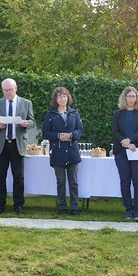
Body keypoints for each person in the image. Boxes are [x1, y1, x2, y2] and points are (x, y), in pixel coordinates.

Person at [0, 78, 35, 214]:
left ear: (16, 88)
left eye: (10, 90)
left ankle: (18, 205)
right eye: (5, 90)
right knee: (0, 176)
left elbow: (32, 121)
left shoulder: (26, 103)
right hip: (2, 144)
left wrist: (27, 123)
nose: (8, 93)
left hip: (18, 143)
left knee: (18, 177)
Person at [42, 87, 83, 215]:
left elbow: (79, 130)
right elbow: (45, 132)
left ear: (68, 97)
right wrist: (58, 135)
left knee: (73, 182)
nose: (63, 98)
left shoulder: (74, 113)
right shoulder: (50, 115)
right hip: (58, 153)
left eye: (64, 96)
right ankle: (62, 207)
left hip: (72, 152)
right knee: (60, 182)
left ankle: (74, 207)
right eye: (60, 96)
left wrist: (71, 135)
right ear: (55, 99)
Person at [112, 86, 138, 220]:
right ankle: (128, 209)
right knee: (125, 181)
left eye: (134, 96)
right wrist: (124, 142)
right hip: (121, 152)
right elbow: (115, 132)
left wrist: (130, 141)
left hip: (137, 150)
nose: (131, 99)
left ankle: (137, 210)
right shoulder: (118, 114)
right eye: (129, 96)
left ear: (137, 98)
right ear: (124, 98)